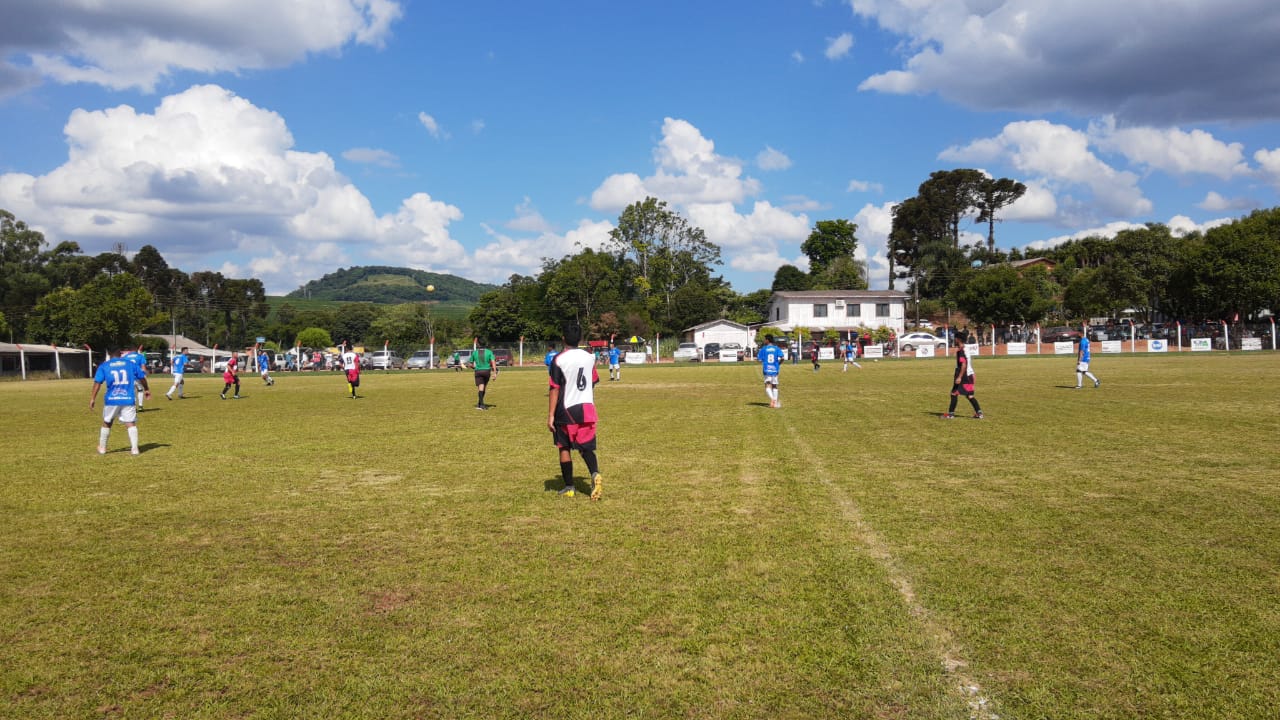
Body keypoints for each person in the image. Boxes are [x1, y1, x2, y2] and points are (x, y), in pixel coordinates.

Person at [548, 324, 602, 499]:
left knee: (564, 447)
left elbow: (554, 388)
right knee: (585, 447)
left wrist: (550, 415)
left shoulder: (558, 359)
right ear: (580, 339)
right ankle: (595, 473)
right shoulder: (589, 357)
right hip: (586, 408)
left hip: (566, 409)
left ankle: (570, 487)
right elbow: (593, 380)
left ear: (563, 338)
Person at [90, 349, 151, 455]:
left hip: (112, 399)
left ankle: (102, 448)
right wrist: (146, 389)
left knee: (107, 422)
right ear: (121, 354)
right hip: (128, 398)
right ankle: (135, 449)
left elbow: (97, 383)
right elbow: (142, 377)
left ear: (109, 355)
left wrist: (92, 398)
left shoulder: (104, 366)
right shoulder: (130, 364)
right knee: (130, 423)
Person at [943, 345, 983, 419]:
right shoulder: (966, 350)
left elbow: (963, 365)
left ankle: (951, 414)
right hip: (970, 375)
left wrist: (959, 377)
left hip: (964, 376)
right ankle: (979, 413)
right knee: (970, 396)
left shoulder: (961, 351)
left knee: (954, 393)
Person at [758, 334, 784, 408]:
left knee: (767, 384)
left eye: (765, 339)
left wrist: (761, 360)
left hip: (767, 369)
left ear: (767, 340)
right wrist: (778, 364)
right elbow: (782, 358)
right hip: (775, 369)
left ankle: (772, 399)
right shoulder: (776, 348)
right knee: (774, 385)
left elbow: (760, 360)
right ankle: (775, 402)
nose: (764, 341)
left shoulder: (764, 349)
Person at [472, 340, 497, 409]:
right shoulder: (489, 352)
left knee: (481, 387)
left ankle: (482, 405)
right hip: (487, 371)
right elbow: (493, 362)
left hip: (478, 371)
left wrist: (472, 366)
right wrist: (494, 373)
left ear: (478, 345)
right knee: (483, 387)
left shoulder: (474, 352)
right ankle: (480, 403)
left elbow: (470, 363)